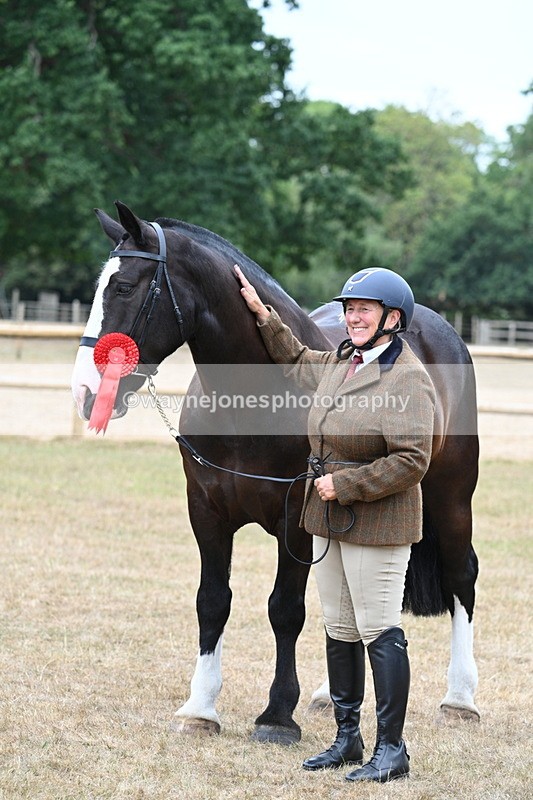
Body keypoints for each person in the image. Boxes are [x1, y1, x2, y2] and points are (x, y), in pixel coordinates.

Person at [234, 264, 436, 783]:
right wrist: (263, 315)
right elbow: (300, 360)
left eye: (364, 310)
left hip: (378, 521)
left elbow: (413, 459)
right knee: (340, 626)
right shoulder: (344, 359)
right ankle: (348, 738)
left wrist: (345, 485)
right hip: (327, 517)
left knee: (379, 629)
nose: (353, 318)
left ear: (393, 318)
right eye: (349, 310)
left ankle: (392, 750)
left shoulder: (408, 377)